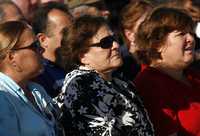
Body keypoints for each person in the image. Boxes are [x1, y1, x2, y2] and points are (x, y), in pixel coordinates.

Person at [56, 15, 155, 136]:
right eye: (106, 43)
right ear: (82, 55)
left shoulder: (118, 81)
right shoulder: (81, 86)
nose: (116, 46)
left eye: (114, 39)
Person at [134, 7, 200, 136]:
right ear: (157, 45)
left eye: (190, 33)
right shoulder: (150, 85)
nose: (191, 39)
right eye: (181, 34)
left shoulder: (192, 75)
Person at [0, 21, 63, 136]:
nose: (42, 50)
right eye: (35, 46)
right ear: (12, 57)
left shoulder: (36, 89)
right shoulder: (3, 99)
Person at [32, 2, 73, 98]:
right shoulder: (40, 75)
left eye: (73, 30)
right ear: (43, 39)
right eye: (65, 32)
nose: (73, 36)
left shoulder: (77, 63)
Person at [114, 0, 153, 81]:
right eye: (145, 24)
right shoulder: (123, 64)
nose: (153, 27)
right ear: (129, 34)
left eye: (154, 21)